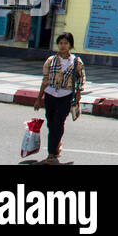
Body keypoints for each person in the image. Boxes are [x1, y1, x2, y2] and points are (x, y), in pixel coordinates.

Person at [33, 32, 85, 165]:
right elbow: (45, 81)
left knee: (58, 122)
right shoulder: (51, 61)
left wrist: (78, 96)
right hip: (50, 95)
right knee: (50, 123)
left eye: (66, 43)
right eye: (61, 43)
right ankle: (56, 145)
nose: (63, 46)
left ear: (70, 45)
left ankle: (51, 154)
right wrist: (39, 98)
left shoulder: (76, 62)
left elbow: (80, 80)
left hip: (65, 96)